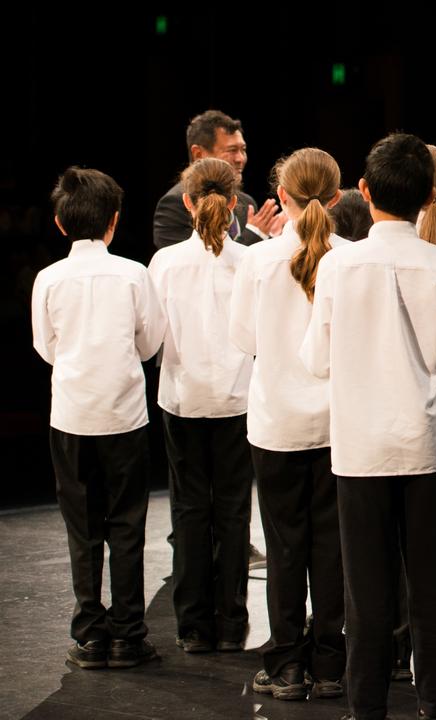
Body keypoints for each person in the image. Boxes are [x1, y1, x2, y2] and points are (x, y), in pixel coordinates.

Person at [300, 133, 436, 720]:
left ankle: (366, 706)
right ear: (431, 195)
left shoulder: (337, 265)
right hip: (425, 444)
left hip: (360, 448)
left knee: (366, 591)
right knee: (433, 586)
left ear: (365, 190)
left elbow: (317, 360)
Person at [33, 166, 166, 670]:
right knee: (127, 525)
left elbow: (45, 347)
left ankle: (91, 634)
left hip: (70, 414)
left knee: (82, 527)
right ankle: (129, 634)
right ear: (114, 221)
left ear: (60, 224)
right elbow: (151, 342)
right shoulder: (134, 273)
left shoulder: (47, 278)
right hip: (124, 414)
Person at [229, 148, 348, 701]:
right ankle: (328, 664)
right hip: (335, 424)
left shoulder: (258, 260)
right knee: (330, 546)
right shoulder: (351, 257)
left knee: (284, 548)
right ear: (337, 195)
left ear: (284, 197)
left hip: (276, 421)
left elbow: (245, 339)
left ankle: (285, 666)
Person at [148, 157, 255, 655]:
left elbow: (149, 339)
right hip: (236, 399)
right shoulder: (249, 260)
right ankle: (231, 622)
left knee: (190, 510)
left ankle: (193, 626)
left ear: (187, 202)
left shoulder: (166, 263)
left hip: (183, 398)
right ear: (235, 203)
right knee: (232, 511)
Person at [153, 110, 284, 249]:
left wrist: (269, 236)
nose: (240, 158)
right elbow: (192, 263)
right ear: (198, 154)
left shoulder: (246, 203)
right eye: (232, 150)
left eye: (243, 149)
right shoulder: (173, 204)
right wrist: (253, 234)